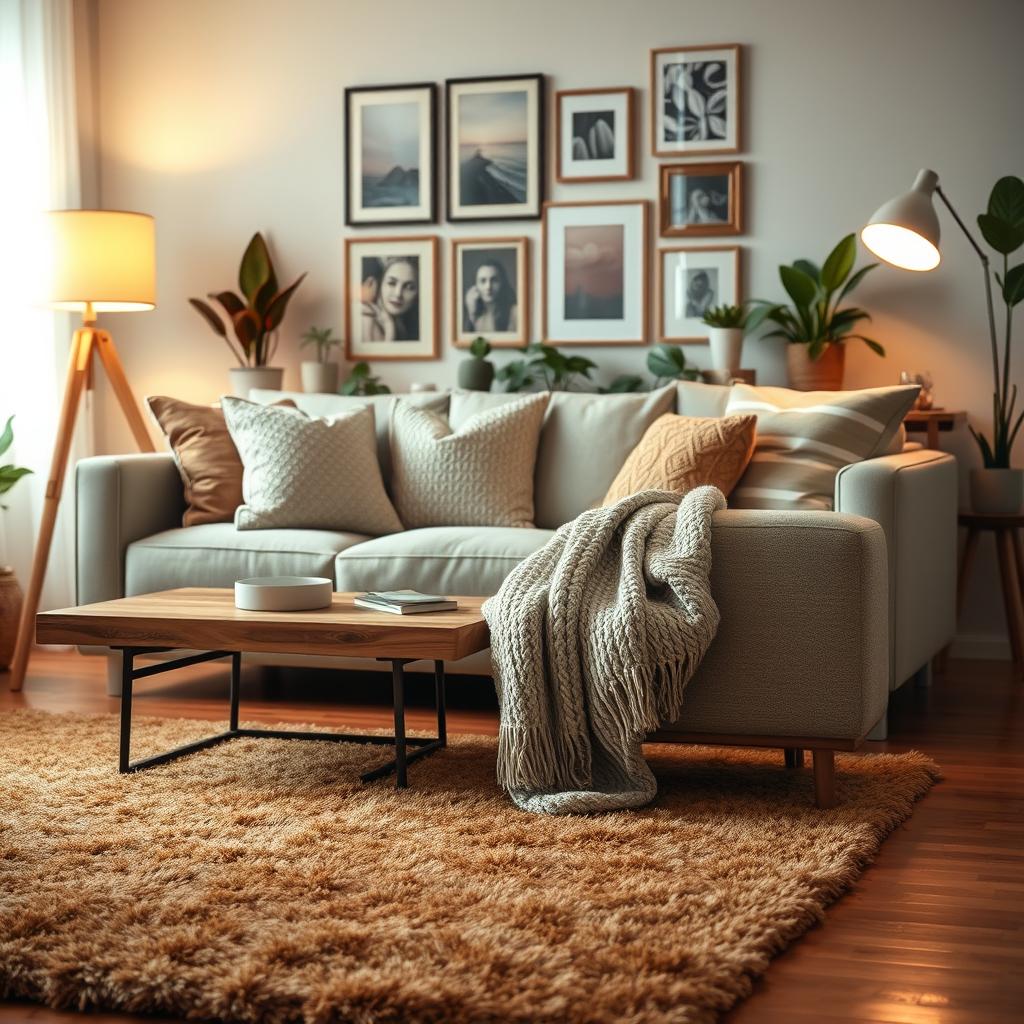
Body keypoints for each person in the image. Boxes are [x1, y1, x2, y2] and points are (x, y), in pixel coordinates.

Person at [361, 256, 419, 341]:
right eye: (392, 283)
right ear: (380, 284)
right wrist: (389, 325)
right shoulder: (366, 318)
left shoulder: (405, 326)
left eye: (409, 287)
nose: (398, 294)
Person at [463, 258, 517, 334]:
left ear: (502, 283)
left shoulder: (515, 312)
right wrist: (472, 314)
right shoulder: (473, 313)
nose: (488, 287)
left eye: (494, 280)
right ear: (475, 286)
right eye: (483, 281)